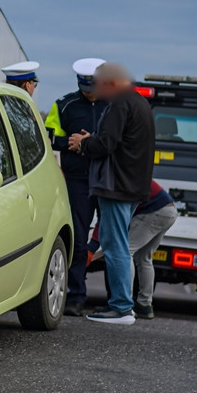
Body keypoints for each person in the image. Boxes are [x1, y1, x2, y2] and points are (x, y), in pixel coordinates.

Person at [68, 62, 156, 325]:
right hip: (130, 185)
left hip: (116, 186)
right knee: (117, 244)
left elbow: (107, 144)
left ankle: (120, 307)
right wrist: (93, 138)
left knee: (115, 245)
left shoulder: (120, 105)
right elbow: (121, 142)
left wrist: (83, 143)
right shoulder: (139, 103)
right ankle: (121, 305)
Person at [43, 58, 107, 317]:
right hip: (77, 180)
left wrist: (90, 142)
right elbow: (49, 138)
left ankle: (116, 301)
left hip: (106, 180)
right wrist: (68, 142)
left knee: (112, 241)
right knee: (78, 240)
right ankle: (76, 296)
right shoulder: (63, 105)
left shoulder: (112, 106)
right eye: (85, 88)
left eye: (92, 88)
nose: (88, 93)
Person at [87, 180, 178, 319]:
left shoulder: (108, 183)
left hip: (154, 209)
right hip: (169, 209)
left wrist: (92, 247)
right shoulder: (132, 174)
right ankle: (144, 305)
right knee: (144, 257)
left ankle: (123, 304)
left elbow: (104, 219)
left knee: (125, 251)